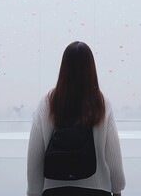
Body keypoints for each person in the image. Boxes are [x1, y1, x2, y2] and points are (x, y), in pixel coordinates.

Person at [27, 41, 126, 196]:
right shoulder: (101, 103)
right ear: (91, 69)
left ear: (64, 68)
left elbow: (35, 153)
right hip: (98, 189)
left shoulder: (48, 102)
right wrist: (117, 189)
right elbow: (113, 153)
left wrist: (33, 191)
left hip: (54, 189)